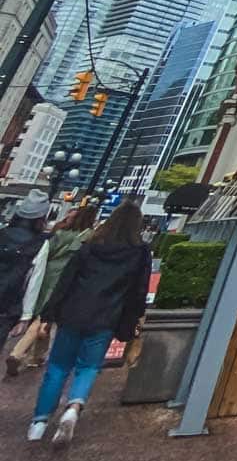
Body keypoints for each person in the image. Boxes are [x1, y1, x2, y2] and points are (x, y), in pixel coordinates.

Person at [27, 200, 150, 445]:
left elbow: (66, 281)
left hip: (73, 312)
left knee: (58, 367)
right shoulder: (139, 253)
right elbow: (138, 291)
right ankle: (74, 406)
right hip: (106, 316)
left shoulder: (90, 246)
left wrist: (48, 315)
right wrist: (134, 318)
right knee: (89, 367)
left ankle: (39, 422)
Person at [6, 205, 97, 376]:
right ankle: (18, 353)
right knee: (44, 316)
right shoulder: (88, 237)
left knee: (44, 313)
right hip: (65, 277)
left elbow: (46, 252)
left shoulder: (60, 233)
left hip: (47, 272)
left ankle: (37, 356)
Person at [1, 191, 50, 347]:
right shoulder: (40, 243)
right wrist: (26, 315)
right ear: (42, 218)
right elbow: (34, 279)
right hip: (8, 305)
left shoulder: (2, 233)